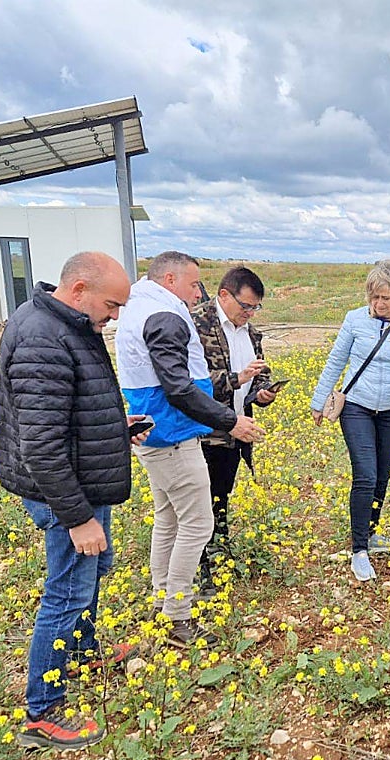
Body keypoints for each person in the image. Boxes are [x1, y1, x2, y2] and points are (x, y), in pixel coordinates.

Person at [0, 251, 143, 750]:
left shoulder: (66, 324)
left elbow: (65, 411)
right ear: (79, 289)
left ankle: (80, 651)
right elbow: (40, 446)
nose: (114, 316)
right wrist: (78, 519)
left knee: (92, 572)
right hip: (65, 493)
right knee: (67, 592)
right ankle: (42, 711)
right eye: (111, 305)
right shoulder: (43, 338)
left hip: (78, 481)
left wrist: (112, 428)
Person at [115, 251, 261, 647]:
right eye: (194, 284)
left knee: (169, 518)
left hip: (155, 432)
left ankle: (162, 598)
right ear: (169, 279)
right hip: (172, 434)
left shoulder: (141, 306)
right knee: (197, 523)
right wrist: (230, 420)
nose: (199, 293)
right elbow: (178, 388)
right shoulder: (164, 315)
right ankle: (178, 616)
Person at [310, 260, 390, 582]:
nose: (379, 303)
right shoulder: (354, 320)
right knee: (366, 474)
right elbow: (336, 361)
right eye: (374, 297)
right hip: (357, 406)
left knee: (382, 475)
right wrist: (318, 403)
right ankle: (359, 549)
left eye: (385, 298)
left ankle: (371, 533)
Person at [190, 266, 277, 594]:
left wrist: (263, 391)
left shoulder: (251, 333)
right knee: (197, 503)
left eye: (256, 307)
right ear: (224, 295)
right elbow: (189, 382)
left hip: (236, 428)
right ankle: (199, 567)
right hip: (204, 431)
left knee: (221, 493)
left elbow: (260, 372)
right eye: (246, 306)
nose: (250, 313)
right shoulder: (197, 325)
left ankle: (219, 547)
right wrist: (236, 379)